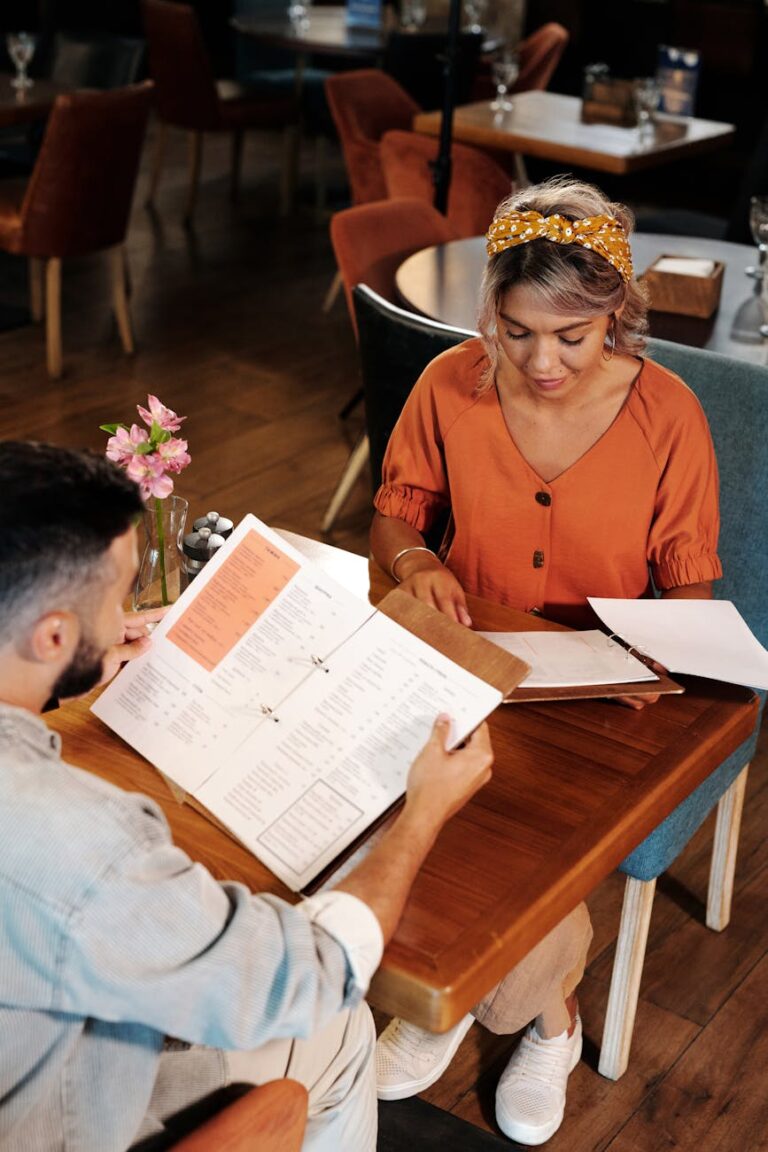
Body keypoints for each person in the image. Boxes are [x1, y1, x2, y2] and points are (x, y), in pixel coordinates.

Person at [0, 440, 495, 1152]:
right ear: (51, 633)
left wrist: (55, 676)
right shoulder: (81, 845)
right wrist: (419, 816)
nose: (122, 620)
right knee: (339, 1025)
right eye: (117, 600)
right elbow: (310, 974)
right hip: (51, 1121)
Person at [371, 177, 720, 1136]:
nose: (542, 361)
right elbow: (394, 514)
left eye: (572, 335)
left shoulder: (669, 414)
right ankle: (502, 999)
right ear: (492, 308)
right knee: (399, 810)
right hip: (468, 665)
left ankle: (540, 1020)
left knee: (524, 851)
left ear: (617, 309)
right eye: (517, 330)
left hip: (600, 698)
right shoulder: (451, 383)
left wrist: (654, 658)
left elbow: (689, 584)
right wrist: (414, 564)